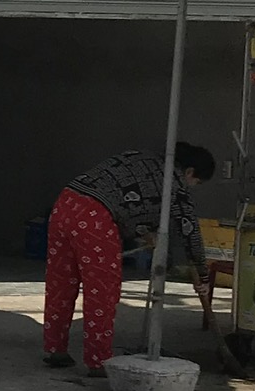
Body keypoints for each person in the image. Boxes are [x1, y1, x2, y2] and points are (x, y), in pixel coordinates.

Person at [43, 142, 215, 375]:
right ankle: (98, 360)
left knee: (61, 283)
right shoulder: (174, 186)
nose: (193, 187)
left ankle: (55, 349)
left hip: (65, 203)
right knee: (101, 292)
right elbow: (190, 234)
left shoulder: (139, 156)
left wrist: (145, 232)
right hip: (95, 218)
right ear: (190, 172)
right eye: (197, 182)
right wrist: (203, 275)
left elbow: (130, 200)